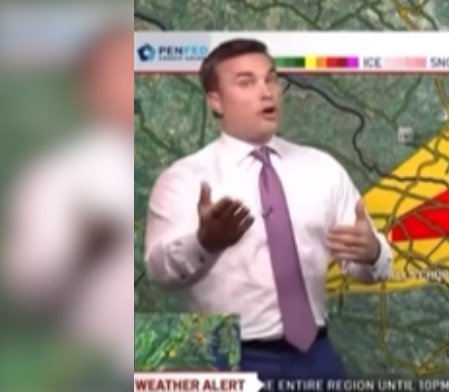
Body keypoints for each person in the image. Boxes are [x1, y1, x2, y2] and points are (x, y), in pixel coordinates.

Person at [145, 39, 393, 380]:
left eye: (271, 79)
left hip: (315, 357)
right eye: (246, 82)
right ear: (216, 101)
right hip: (225, 358)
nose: (267, 92)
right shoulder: (183, 179)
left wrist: (372, 252)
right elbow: (159, 270)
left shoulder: (322, 169)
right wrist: (204, 242)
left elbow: (372, 268)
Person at [2, 23, 134, 388]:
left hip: (194, 352)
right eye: (121, 72)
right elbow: (26, 288)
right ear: (90, 87)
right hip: (97, 369)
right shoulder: (56, 179)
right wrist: (81, 251)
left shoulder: (197, 164)